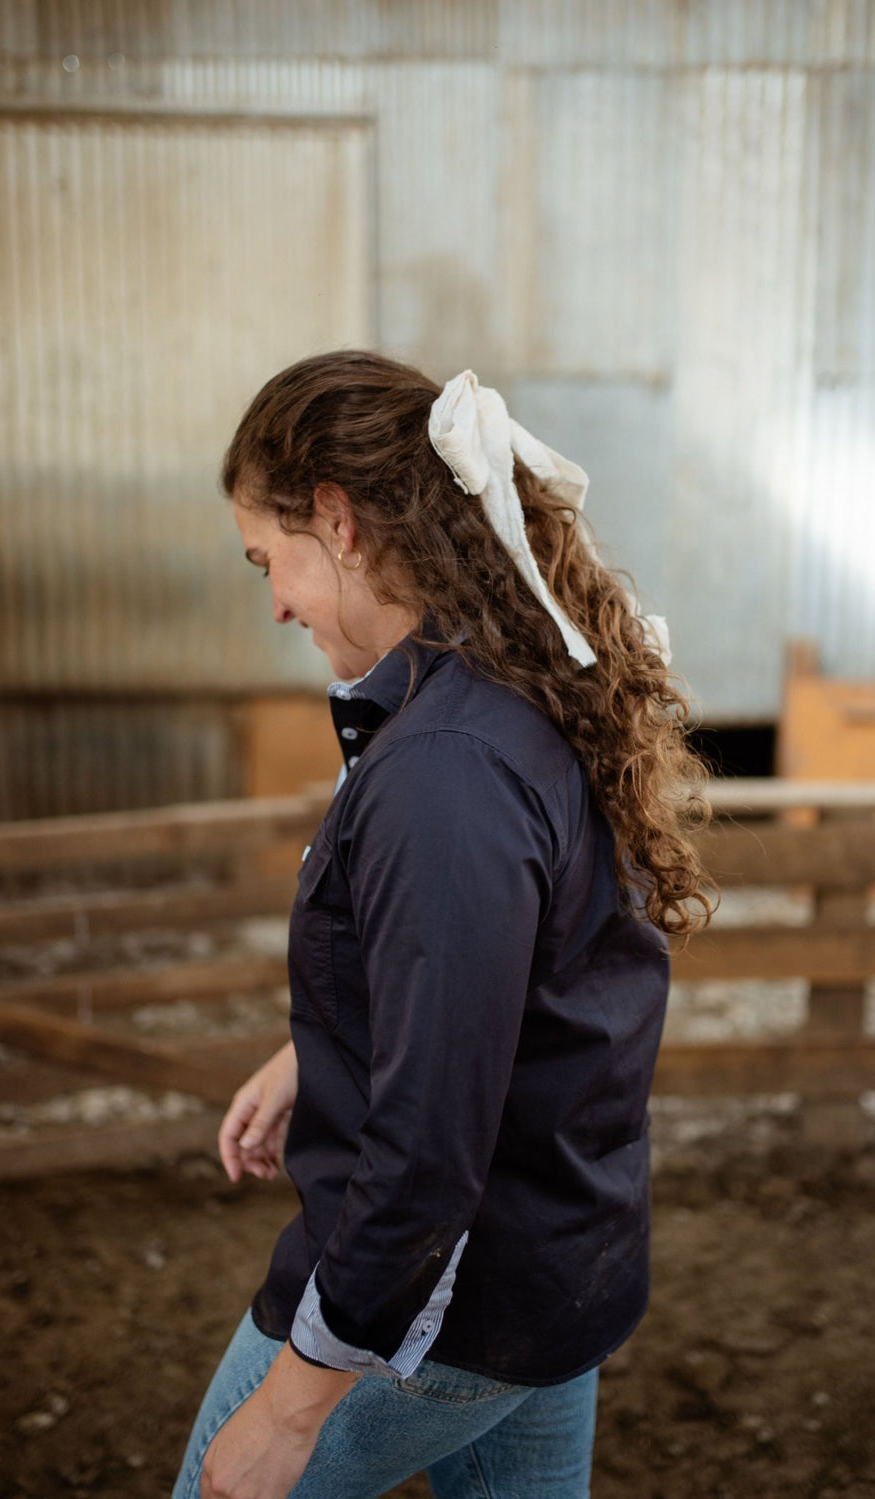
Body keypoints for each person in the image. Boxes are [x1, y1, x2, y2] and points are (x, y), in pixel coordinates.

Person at [172, 351, 713, 1499]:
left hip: (442, 1313)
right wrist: (319, 1046)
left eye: (270, 559)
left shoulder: (446, 769)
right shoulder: (516, 691)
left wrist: (290, 1407)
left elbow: (423, 1157)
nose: (272, 600)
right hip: (558, 1276)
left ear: (338, 519)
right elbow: (504, 968)